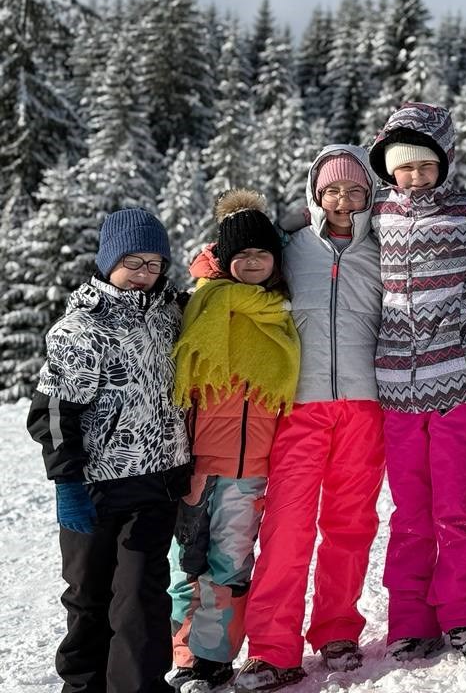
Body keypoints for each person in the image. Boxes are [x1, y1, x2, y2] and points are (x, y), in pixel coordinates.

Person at [238, 147, 385, 686]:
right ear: (315, 195)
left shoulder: (384, 250)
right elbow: (234, 269)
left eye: (354, 190)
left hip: (365, 406)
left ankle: (337, 627)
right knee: (287, 528)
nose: (343, 200)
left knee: (351, 524)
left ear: (369, 195)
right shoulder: (289, 249)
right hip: (299, 407)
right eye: (332, 190)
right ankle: (272, 648)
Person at [28, 209, 190, 693]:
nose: (143, 273)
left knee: (142, 598)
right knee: (89, 597)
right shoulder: (81, 329)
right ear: (108, 261)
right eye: (132, 262)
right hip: (94, 489)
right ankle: (83, 687)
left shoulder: (171, 315)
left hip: (157, 485)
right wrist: (67, 484)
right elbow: (52, 414)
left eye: (154, 264)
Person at [367, 103, 466, 660]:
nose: (415, 176)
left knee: (456, 513)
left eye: (426, 164)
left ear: (445, 162)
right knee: (410, 515)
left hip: (461, 385)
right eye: (404, 166)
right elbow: (316, 228)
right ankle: (410, 620)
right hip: (396, 388)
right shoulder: (375, 213)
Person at [168, 191, 300, 693]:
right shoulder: (201, 303)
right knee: (186, 563)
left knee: (230, 563)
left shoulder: (281, 311)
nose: (252, 262)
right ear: (224, 259)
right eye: (241, 254)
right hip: (199, 462)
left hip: (252, 467)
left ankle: (214, 658)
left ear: (275, 259)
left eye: (261, 253)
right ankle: (184, 656)